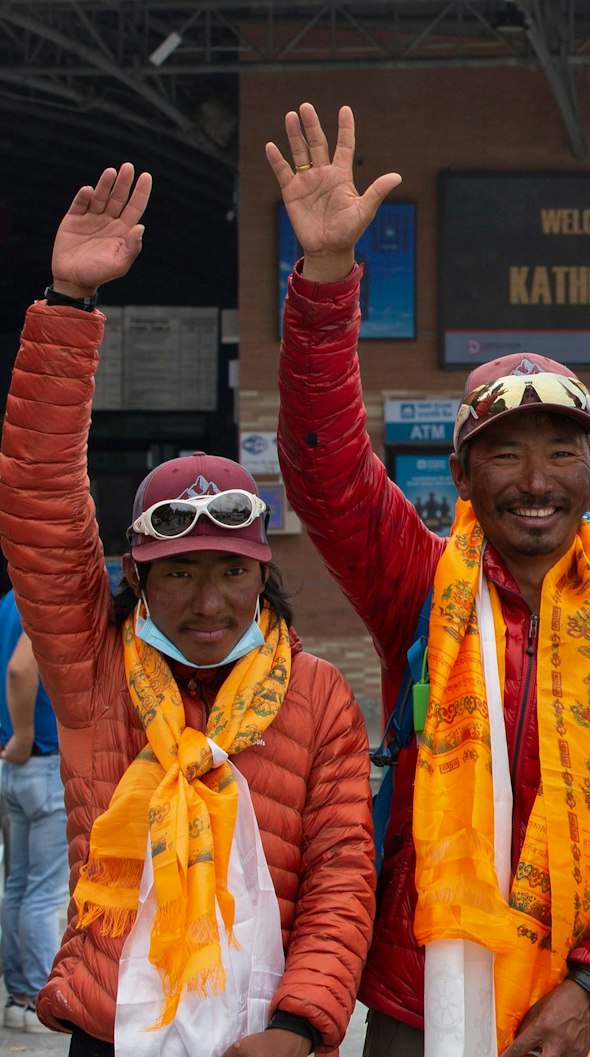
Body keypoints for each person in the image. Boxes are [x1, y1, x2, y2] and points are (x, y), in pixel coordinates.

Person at [268, 104, 590, 1057]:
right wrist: (322, 281)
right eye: (503, 454)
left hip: (587, 1002)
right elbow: (327, 472)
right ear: (463, 479)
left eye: (561, 452)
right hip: (424, 988)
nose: (535, 480)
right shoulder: (422, 586)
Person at [0, 164, 375, 1057]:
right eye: (177, 576)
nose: (208, 603)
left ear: (261, 573)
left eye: (229, 572)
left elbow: (341, 876)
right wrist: (69, 303)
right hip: (113, 1032)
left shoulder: (317, 697)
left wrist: (298, 1023)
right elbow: (43, 501)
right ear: (138, 577)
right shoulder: (97, 671)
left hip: (265, 1042)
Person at [0, 589, 62, 1033]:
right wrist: (23, 736)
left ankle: (18, 998)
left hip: (17, 767)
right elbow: (21, 668)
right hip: (40, 759)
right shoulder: (41, 600)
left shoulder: (8, 601)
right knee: (44, 894)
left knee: (17, 887)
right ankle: (40, 1000)